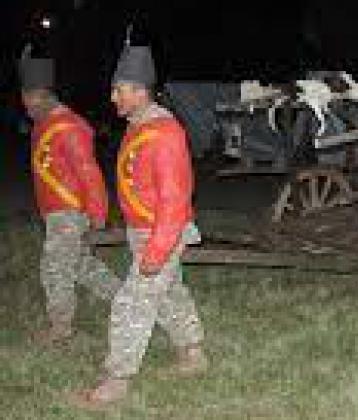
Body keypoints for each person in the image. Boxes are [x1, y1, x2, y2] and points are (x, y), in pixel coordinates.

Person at [70, 41, 206, 409]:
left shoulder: (163, 132)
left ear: (139, 90)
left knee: (131, 303)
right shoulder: (139, 124)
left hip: (162, 232)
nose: (113, 97)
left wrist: (157, 250)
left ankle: (117, 380)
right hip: (144, 230)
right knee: (169, 293)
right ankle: (193, 354)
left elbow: (175, 200)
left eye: (119, 89)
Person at [18, 44, 120, 346]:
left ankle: (60, 327)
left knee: (55, 267)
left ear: (42, 96)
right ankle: (125, 300)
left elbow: (89, 173)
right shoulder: (45, 123)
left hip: (69, 211)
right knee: (80, 265)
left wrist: (98, 212)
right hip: (56, 211)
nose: (25, 106)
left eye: (28, 99)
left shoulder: (69, 126)